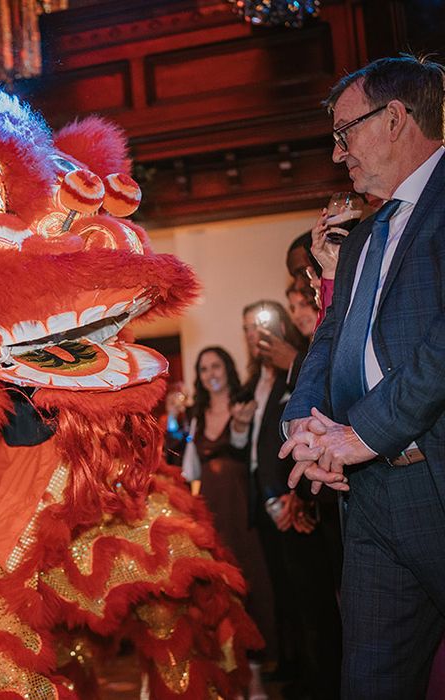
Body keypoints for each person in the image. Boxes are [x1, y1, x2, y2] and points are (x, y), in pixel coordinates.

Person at [280, 55, 445, 699]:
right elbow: (331, 337)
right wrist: (305, 422)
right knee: (371, 683)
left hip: (431, 471)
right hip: (370, 495)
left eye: (345, 131)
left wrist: (363, 432)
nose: (338, 151)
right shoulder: (367, 231)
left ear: (396, 117)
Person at [240, 300, 342, 699]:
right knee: (290, 595)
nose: (254, 334)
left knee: (316, 602)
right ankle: (302, 672)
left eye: (260, 324)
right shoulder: (256, 382)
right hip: (270, 501)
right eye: (247, 327)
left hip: (299, 497)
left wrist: (290, 496)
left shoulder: (299, 368)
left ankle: (323, 684)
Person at [190, 346, 274, 700]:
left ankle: (254, 674)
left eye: (217, 365)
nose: (211, 372)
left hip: (241, 508)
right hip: (210, 510)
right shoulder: (196, 415)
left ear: (227, 368)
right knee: (220, 593)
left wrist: (240, 424)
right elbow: (190, 471)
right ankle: (230, 674)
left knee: (249, 583)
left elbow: (246, 449)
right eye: (204, 367)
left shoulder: (245, 405)